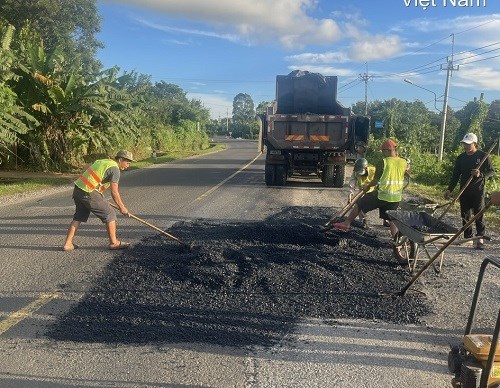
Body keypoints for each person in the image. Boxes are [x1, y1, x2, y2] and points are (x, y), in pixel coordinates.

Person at [331, 139, 409, 240]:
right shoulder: (403, 162)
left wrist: (367, 187)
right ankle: (397, 241)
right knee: (392, 219)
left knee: (360, 203)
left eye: (382, 151)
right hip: (396, 197)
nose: (382, 153)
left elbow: (375, 181)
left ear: (386, 150)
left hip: (382, 195)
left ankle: (346, 223)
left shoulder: (383, 162)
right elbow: (406, 173)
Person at [62, 150, 134, 251]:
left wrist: (97, 194)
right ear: (120, 160)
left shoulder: (104, 161)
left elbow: (86, 167)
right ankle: (114, 243)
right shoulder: (115, 169)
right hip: (89, 192)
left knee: (78, 217)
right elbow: (114, 192)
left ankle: (68, 244)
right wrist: (122, 207)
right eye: (127, 163)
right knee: (110, 214)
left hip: (78, 189)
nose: (128, 166)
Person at [443, 133, 495, 250]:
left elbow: (491, 171)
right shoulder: (461, 158)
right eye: (464, 144)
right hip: (464, 191)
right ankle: (467, 237)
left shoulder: (483, 156)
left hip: (478, 191)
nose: (465, 146)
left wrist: (480, 174)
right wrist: (449, 189)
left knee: (478, 214)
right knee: (465, 215)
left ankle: (480, 237)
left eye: (468, 144)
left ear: (474, 144)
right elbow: (456, 175)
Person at [348, 158, 376, 228]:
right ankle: (364, 221)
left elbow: (378, 180)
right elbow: (352, 182)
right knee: (359, 203)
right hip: (362, 190)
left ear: (366, 168)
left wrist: (370, 186)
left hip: (373, 190)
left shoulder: (373, 170)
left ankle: (386, 220)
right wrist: (351, 193)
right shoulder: (355, 172)